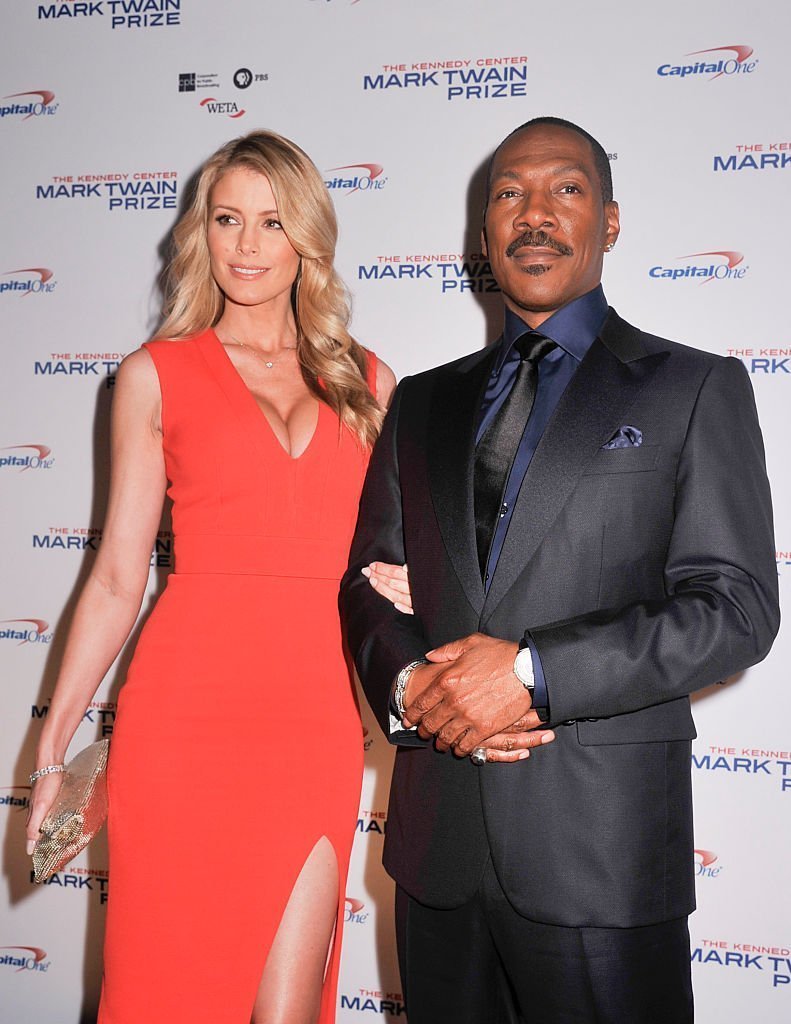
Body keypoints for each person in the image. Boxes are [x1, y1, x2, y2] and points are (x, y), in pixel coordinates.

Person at [340, 116, 780, 1023]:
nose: (532, 214)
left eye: (564, 190)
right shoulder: (421, 401)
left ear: (609, 222)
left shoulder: (692, 388)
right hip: (437, 851)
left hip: (600, 857)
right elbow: (368, 583)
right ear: (483, 230)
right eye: (508, 194)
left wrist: (530, 674)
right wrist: (416, 681)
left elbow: (735, 608)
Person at [25, 129, 410, 1024]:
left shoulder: (370, 382)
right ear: (200, 231)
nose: (244, 245)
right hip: (181, 719)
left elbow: (400, 558)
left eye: (271, 223)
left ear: (305, 238)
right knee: (164, 994)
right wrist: (54, 747)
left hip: (314, 718)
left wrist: (412, 588)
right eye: (226, 218)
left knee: (285, 1006)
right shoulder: (155, 376)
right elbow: (120, 577)